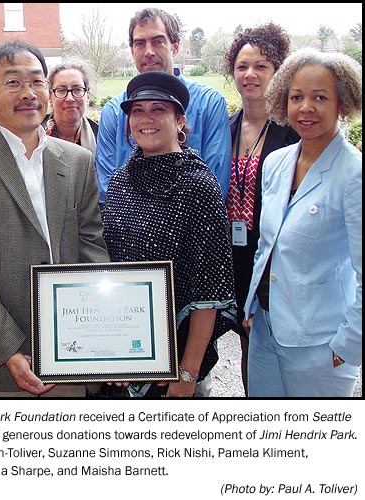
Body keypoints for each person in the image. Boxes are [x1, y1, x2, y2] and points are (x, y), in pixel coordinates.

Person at [0, 40, 110, 397]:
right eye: (13, 82)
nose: (28, 93)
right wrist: (9, 350)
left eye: (36, 81)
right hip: (4, 370)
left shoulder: (77, 161)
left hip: (74, 358)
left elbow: (92, 246)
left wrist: (106, 339)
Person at [101, 71, 237, 398]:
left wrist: (187, 373)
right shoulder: (121, 181)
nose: (146, 118)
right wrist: (111, 351)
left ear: (180, 121)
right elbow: (110, 268)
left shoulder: (198, 186)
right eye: (137, 110)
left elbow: (209, 292)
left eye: (158, 109)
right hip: (125, 350)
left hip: (174, 363)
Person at [243, 48, 362, 397]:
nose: (306, 107)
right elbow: (267, 245)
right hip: (266, 329)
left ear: (343, 104)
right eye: (296, 97)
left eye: (320, 97)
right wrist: (252, 306)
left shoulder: (353, 173)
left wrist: (350, 343)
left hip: (320, 345)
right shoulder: (276, 162)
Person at [222, 23, 300, 396]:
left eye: (261, 66)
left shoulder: (293, 131)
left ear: (278, 72)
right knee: (247, 344)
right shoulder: (225, 127)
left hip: (274, 258)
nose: (249, 74)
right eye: (242, 66)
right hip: (231, 253)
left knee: (276, 346)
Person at [95, 7, 231, 205]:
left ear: (175, 47)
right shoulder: (114, 111)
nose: (149, 52)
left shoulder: (209, 104)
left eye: (158, 42)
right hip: (127, 228)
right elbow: (107, 187)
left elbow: (214, 184)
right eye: (140, 43)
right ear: (132, 50)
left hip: (190, 229)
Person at [45, 59, 98, 154]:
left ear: (88, 95)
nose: (70, 98)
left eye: (77, 89)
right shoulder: (33, 135)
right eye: (61, 90)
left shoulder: (101, 138)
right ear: (50, 96)